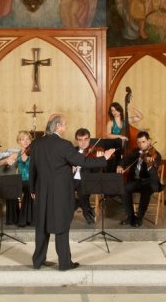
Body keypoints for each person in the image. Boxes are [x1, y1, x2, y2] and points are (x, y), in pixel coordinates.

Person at [30, 114, 115, 271]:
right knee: (61, 224)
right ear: (57, 126)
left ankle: (38, 261)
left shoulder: (36, 144)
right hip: (60, 192)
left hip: (41, 190)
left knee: (41, 226)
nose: (65, 127)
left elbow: (32, 169)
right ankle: (64, 263)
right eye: (64, 125)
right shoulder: (64, 145)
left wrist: (33, 189)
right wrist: (105, 158)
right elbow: (83, 161)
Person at [117, 131, 162, 227]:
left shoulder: (156, 155)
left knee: (146, 191)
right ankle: (130, 216)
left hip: (148, 182)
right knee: (124, 188)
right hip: (135, 181)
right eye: (139, 142)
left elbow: (153, 173)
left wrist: (150, 164)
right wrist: (120, 166)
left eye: (143, 142)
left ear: (149, 141)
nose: (141, 145)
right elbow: (125, 159)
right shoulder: (136, 152)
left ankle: (139, 217)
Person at [0, 130, 33, 227]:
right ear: (19, 142)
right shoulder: (17, 154)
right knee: (9, 188)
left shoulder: (34, 153)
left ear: (30, 141)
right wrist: (6, 160)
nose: (25, 141)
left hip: (31, 181)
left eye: (27, 139)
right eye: (22, 139)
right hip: (20, 181)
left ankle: (25, 219)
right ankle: (13, 218)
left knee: (29, 187)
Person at [72, 128, 100, 225]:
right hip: (72, 180)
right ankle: (85, 209)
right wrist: (71, 168)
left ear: (89, 139)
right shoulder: (72, 151)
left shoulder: (94, 152)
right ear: (77, 140)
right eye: (80, 139)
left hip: (88, 181)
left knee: (81, 188)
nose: (83, 142)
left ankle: (84, 211)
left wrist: (98, 159)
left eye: (85, 139)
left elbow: (97, 171)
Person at [106, 102, 143, 171]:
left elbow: (140, 117)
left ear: (120, 110)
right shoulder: (111, 122)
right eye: (112, 110)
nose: (114, 112)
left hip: (127, 147)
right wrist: (119, 136)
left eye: (116, 110)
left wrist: (132, 109)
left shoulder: (126, 120)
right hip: (116, 147)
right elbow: (108, 135)